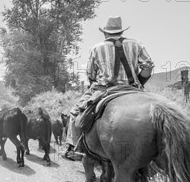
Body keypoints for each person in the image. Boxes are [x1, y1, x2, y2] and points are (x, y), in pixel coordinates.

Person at [64, 16, 155, 161]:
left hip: (104, 89)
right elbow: (148, 67)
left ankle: (74, 148)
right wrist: (139, 82)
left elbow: (91, 74)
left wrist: (95, 82)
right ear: (121, 31)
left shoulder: (96, 48)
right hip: (132, 89)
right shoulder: (136, 44)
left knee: (75, 112)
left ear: (105, 33)